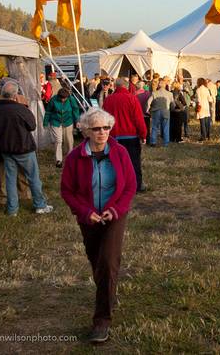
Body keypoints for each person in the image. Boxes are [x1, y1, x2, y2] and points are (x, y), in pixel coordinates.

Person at [61, 108, 136, 344]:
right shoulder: (75, 157)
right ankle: (109, 294)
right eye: (96, 128)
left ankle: (101, 320)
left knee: (108, 262)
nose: (103, 132)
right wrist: (85, 212)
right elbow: (67, 191)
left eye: (106, 127)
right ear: (85, 131)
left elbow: (130, 186)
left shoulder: (120, 152)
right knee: (96, 261)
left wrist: (115, 210)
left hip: (115, 215)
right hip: (89, 218)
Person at [0, 82, 53, 216]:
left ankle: (12, 209)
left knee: (10, 178)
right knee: (33, 177)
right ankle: (40, 205)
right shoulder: (21, 109)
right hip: (23, 147)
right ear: (15, 94)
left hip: (6, 148)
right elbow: (32, 126)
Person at [102, 78, 147, 192]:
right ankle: (136, 185)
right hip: (130, 135)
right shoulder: (131, 98)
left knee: (115, 163)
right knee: (133, 162)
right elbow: (138, 119)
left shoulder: (108, 100)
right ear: (126, 86)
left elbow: (104, 118)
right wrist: (143, 134)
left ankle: (117, 186)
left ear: (115, 86)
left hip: (113, 136)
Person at [43, 87, 81, 168]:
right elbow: (48, 111)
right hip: (55, 122)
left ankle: (70, 157)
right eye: (61, 98)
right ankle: (58, 160)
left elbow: (75, 109)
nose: (63, 100)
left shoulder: (71, 99)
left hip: (68, 121)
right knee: (58, 140)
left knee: (69, 140)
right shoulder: (53, 100)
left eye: (65, 98)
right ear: (58, 96)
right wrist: (45, 122)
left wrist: (77, 120)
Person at [147, 79, 173, 147]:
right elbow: (173, 104)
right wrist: (171, 109)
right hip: (166, 111)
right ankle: (166, 143)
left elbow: (148, 102)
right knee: (166, 127)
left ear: (159, 85)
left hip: (156, 111)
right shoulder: (170, 94)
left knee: (154, 127)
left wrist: (148, 109)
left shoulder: (154, 93)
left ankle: (153, 142)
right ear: (165, 85)